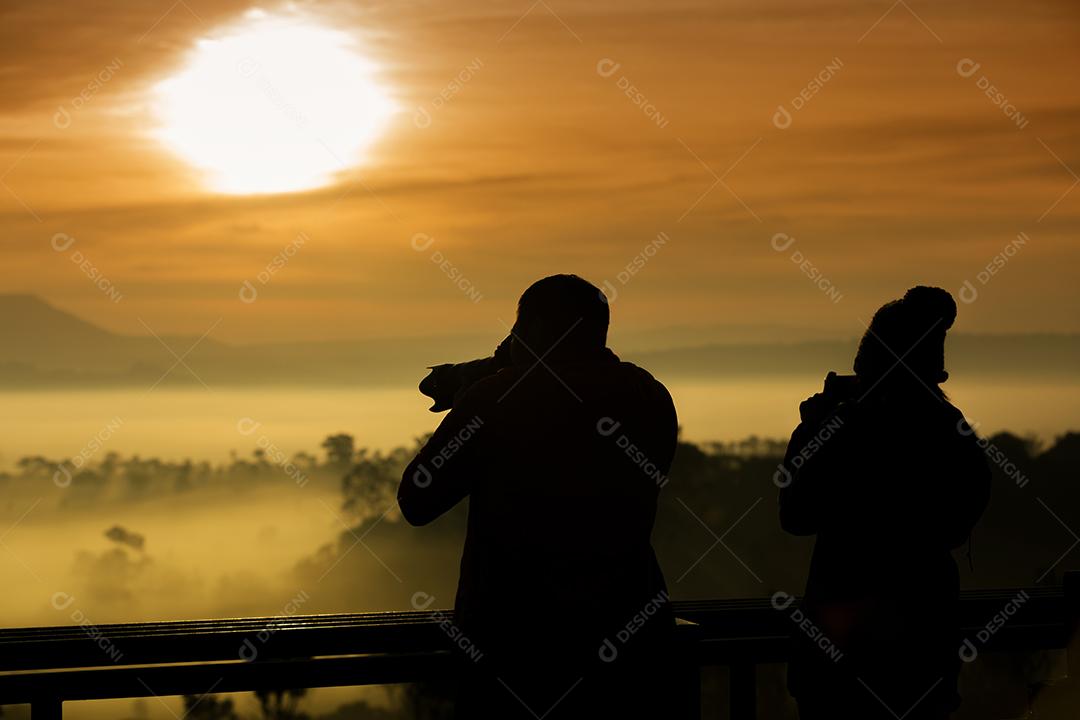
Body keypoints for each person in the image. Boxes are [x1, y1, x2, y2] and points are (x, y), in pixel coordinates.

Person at [399, 274, 679, 719]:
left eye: (518, 329)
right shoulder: (648, 393)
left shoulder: (496, 399)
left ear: (536, 332)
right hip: (632, 638)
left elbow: (417, 499)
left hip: (516, 648)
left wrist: (481, 387)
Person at [778, 286, 992, 720]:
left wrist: (809, 434)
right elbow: (956, 525)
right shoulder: (952, 431)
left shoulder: (844, 430)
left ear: (870, 365)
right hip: (924, 644)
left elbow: (796, 515)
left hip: (839, 654)